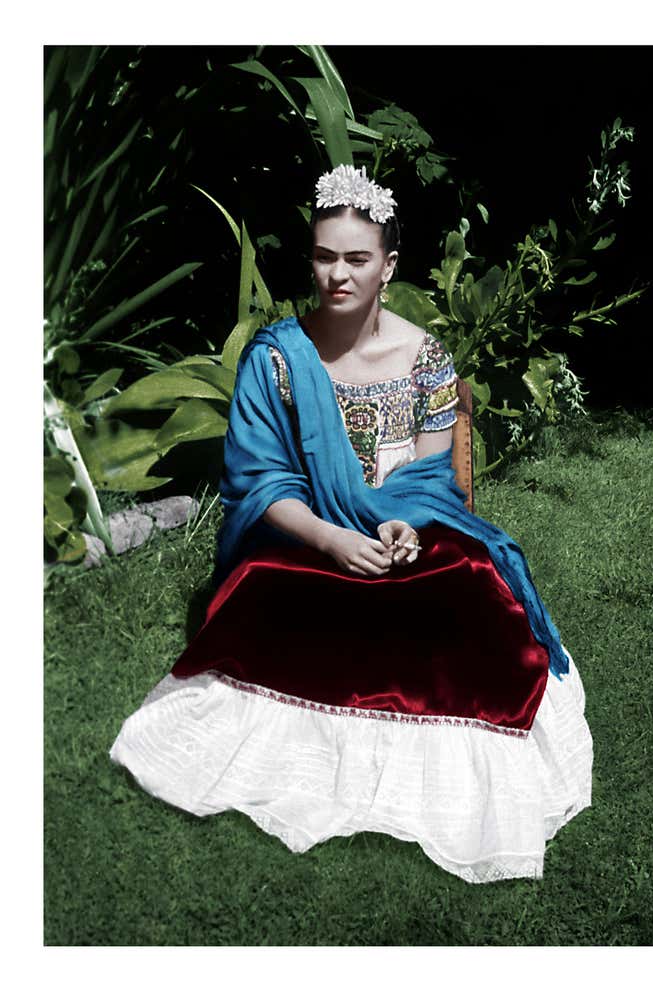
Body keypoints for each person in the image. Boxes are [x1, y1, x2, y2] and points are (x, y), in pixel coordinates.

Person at [110, 165, 593, 883]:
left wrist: (404, 532)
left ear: (388, 266)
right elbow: (260, 483)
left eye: (357, 258)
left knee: (471, 595)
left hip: (404, 539)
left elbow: (431, 483)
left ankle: (454, 769)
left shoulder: (426, 359)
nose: (338, 274)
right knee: (270, 596)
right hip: (303, 536)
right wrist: (333, 539)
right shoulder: (276, 359)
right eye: (324, 256)